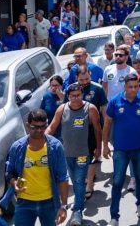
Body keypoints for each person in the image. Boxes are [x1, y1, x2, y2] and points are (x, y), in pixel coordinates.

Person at [102, 74, 140, 222]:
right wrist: (104, 146)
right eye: (130, 87)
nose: (134, 89)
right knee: (117, 182)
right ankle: (114, 217)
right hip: (120, 150)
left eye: (136, 87)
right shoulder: (115, 101)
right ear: (125, 86)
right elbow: (107, 124)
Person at [45, 83, 102, 226]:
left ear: (82, 95)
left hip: (83, 153)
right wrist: (41, 140)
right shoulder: (62, 109)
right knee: (73, 180)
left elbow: (97, 129)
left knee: (78, 180)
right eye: (72, 96)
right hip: (66, 154)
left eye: (78, 95)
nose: (76, 98)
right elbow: (52, 127)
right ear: (68, 96)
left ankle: (77, 212)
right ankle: (79, 201)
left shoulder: (90, 109)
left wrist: (99, 148)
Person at [6, 109, 69, 226]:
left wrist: (64, 206)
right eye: (35, 127)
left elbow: (63, 178)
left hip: (49, 202)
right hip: (24, 203)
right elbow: (9, 173)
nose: (39, 130)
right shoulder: (17, 147)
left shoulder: (55, 147)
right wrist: (14, 183)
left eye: (43, 127)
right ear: (27, 126)